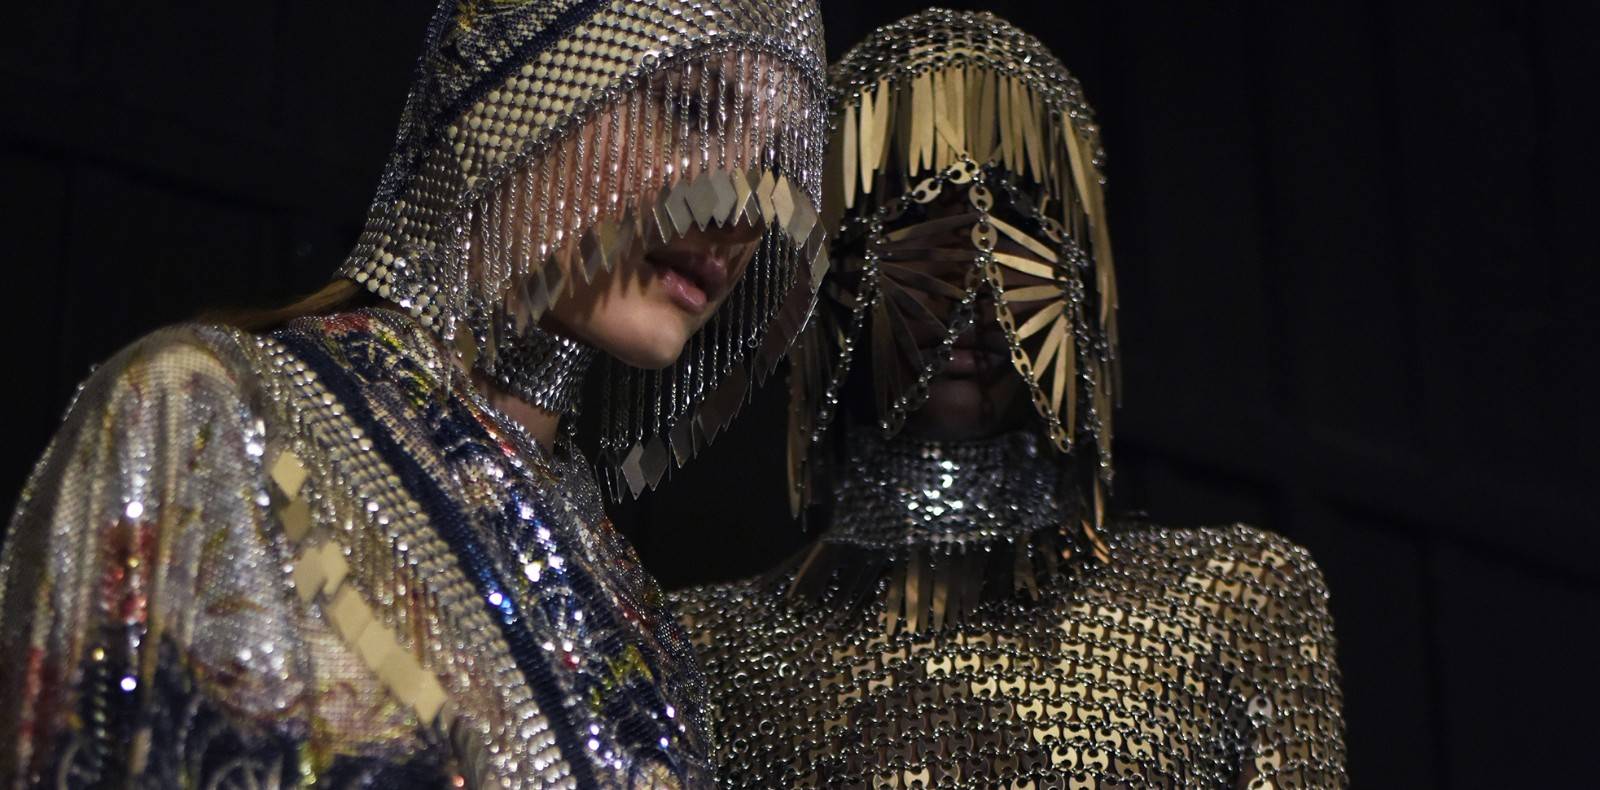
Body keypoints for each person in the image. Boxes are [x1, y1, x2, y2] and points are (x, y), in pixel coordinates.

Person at [0, 0, 827, 786]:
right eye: (692, 110)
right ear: (512, 85)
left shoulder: (643, 626)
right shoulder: (213, 418)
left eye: (775, 165)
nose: (744, 209)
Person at [673, 9, 1346, 788]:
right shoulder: (703, 651)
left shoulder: (1234, 602)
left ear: (1080, 281)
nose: (975, 273)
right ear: (824, 277)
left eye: (1022, 222)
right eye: (912, 217)